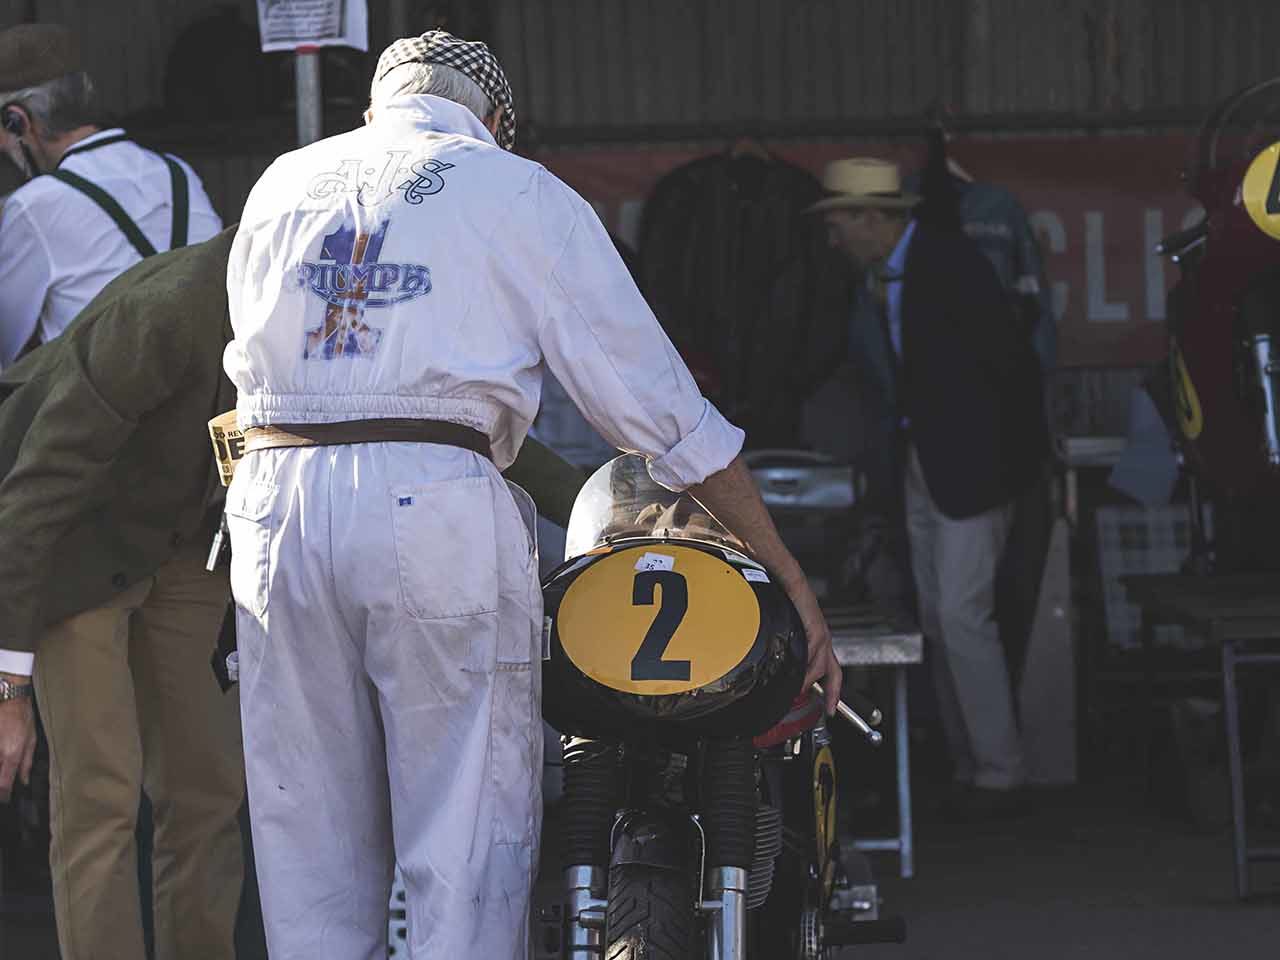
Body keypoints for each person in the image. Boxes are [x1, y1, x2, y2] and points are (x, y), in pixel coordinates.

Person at [224, 30, 841, 960]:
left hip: (273, 504)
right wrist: (785, 569)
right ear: (498, 122)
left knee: (303, 836)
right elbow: (660, 414)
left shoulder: (280, 182)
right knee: (462, 832)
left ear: (372, 111)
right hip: (428, 504)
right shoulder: (515, 188)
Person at [0, 226, 586, 960]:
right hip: (75, 546)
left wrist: (601, 499)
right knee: (101, 797)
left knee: (208, 791)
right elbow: (35, 493)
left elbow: (442, 422)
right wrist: (9, 686)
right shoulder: (163, 313)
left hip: (186, 544)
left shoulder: (330, 300)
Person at [812, 157, 1047, 817]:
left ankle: (1001, 770)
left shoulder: (949, 264)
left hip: (971, 467)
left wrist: (1006, 465)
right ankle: (972, 763)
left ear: (871, 217)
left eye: (839, 223)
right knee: (941, 615)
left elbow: (1011, 367)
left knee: (961, 614)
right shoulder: (889, 274)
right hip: (927, 460)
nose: (834, 239)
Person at [0, 23, 221, 369]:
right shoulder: (177, 172)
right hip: (199, 405)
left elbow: (4, 346)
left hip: (102, 417)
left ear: (18, 121)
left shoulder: (34, 205)